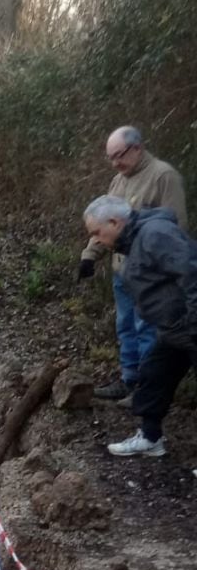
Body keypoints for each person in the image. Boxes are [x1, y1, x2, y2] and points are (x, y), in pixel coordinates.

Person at [82, 194, 197, 458]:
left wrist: (193, 323)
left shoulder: (156, 234)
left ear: (114, 222)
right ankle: (150, 437)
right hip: (173, 328)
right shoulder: (134, 240)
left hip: (189, 324)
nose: (96, 239)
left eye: (97, 232)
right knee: (153, 376)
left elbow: (193, 273)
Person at [78, 126, 186, 404]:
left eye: (119, 155)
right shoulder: (118, 181)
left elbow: (176, 226)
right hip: (121, 271)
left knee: (147, 329)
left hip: (150, 275)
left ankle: (147, 388)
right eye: (111, 158)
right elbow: (105, 222)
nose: (115, 163)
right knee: (125, 326)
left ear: (137, 147)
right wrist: (90, 255)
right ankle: (128, 379)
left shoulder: (163, 176)